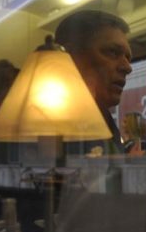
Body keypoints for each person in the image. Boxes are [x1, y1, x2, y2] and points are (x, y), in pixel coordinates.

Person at [55, 10, 133, 155]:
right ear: (69, 56)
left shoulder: (105, 123)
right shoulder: (41, 129)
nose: (127, 67)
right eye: (112, 52)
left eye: (128, 58)